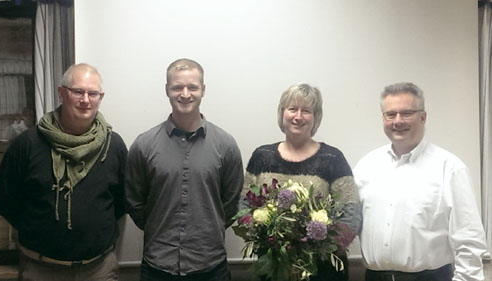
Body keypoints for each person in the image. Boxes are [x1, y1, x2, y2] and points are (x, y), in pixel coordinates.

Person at [0, 63, 127, 281]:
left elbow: (122, 201)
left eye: (92, 93)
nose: (85, 100)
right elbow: (6, 200)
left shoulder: (113, 146)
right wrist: (40, 230)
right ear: (61, 93)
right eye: (78, 91)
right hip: (40, 269)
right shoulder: (27, 144)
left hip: (98, 270)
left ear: (100, 97)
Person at [354, 82, 488, 281]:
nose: (397, 121)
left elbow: (469, 239)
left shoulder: (449, 168)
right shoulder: (366, 166)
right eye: (390, 114)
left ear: (423, 117)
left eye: (406, 113)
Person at [125, 58, 244, 281]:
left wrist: (208, 224)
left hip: (211, 266)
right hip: (158, 267)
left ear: (203, 90)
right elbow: (134, 201)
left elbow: (231, 204)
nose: (185, 94)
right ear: (167, 90)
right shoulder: (143, 145)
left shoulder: (226, 145)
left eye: (193, 87)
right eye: (177, 87)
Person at [244, 83, 362, 281]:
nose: (298, 116)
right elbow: (244, 206)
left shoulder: (332, 158)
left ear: (316, 117)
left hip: (322, 271)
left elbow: (351, 212)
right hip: (275, 268)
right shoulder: (262, 156)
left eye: (306, 111)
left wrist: (315, 248)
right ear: (282, 113)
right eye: (292, 109)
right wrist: (267, 239)